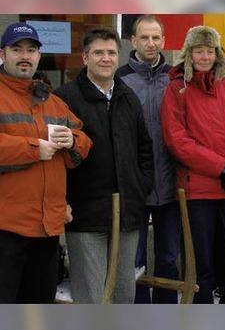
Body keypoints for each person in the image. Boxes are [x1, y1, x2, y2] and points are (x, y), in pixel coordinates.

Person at [55, 27, 154, 303]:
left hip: (127, 212)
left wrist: (141, 185)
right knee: (92, 295)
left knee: (124, 292)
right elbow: (57, 158)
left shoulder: (128, 97)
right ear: (85, 57)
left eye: (111, 53)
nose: (106, 58)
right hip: (85, 213)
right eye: (98, 52)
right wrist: (62, 200)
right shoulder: (66, 98)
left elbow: (145, 148)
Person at [161, 26, 225, 304]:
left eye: (209, 50)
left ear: (217, 54)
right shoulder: (176, 90)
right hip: (199, 191)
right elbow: (177, 141)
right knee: (203, 264)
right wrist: (221, 167)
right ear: (189, 54)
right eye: (199, 50)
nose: (204, 56)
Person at [0, 22, 91, 303]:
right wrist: (32, 148)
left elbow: (84, 139)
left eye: (31, 50)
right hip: (7, 228)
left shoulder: (52, 101)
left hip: (47, 227)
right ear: (3, 53)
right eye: (17, 49)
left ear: (39, 56)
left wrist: (73, 141)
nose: (25, 55)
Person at [116, 15, 180, 304]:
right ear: (133, 41)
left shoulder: (176, 77)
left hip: (170, 185)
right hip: (134, 187)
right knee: (134, 260)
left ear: (164, 41)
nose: (151, 43)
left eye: (156, 38)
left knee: (168, 257)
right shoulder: (120, 79)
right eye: (145, 37)